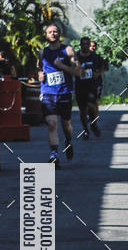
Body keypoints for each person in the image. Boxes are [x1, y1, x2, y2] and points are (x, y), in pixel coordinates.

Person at [37, 22, 83, 168]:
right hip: (48, 93)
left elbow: (78, 72)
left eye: (55, 31)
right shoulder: (42, 52)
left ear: (60, 34)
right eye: (50, 32)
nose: (53, 34)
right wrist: (40, 75)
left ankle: (68, 141)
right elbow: (39, 68)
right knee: (52, 124)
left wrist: (62, 66)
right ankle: (54, 154)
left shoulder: (68, 50)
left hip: (64, 93)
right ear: (46, 35)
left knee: (66, 124)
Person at [75, 36, 104, 138]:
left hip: (92, 85)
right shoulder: (76, 56)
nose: (86, 46)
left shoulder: (95, 56)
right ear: (81, 45)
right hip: (80, 86)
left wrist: (98, 73)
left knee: (92, 106)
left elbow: (104, 67)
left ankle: (93, 124)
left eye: (87, 44)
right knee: (83, 111)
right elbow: (71, 67)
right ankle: (85, 130)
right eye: (84, 44)